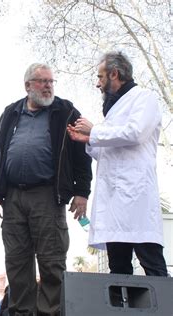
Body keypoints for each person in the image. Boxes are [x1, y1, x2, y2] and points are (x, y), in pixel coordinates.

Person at [0, 63, 93, 315]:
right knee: (17, 263)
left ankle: (50, 313)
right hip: (13, 197)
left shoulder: (66, 111)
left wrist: (82, 192)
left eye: (51, 81)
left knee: (51, 261)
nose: (48, 86)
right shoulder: (10, 113)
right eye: (42, 81)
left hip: (47, 195)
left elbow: (83, 155)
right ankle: (21, 312)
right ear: (28, 86)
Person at [67, 51, 168, 276]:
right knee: (118, 270)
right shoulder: (114, 110)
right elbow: (109, 150)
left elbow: (135, 133)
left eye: (101, 77)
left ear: (114, 73)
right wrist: (89, 140)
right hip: (113, 203)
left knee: (152, 266)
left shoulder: (144, 97)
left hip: (136, 198)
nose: (98, 84)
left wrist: (95, 131)